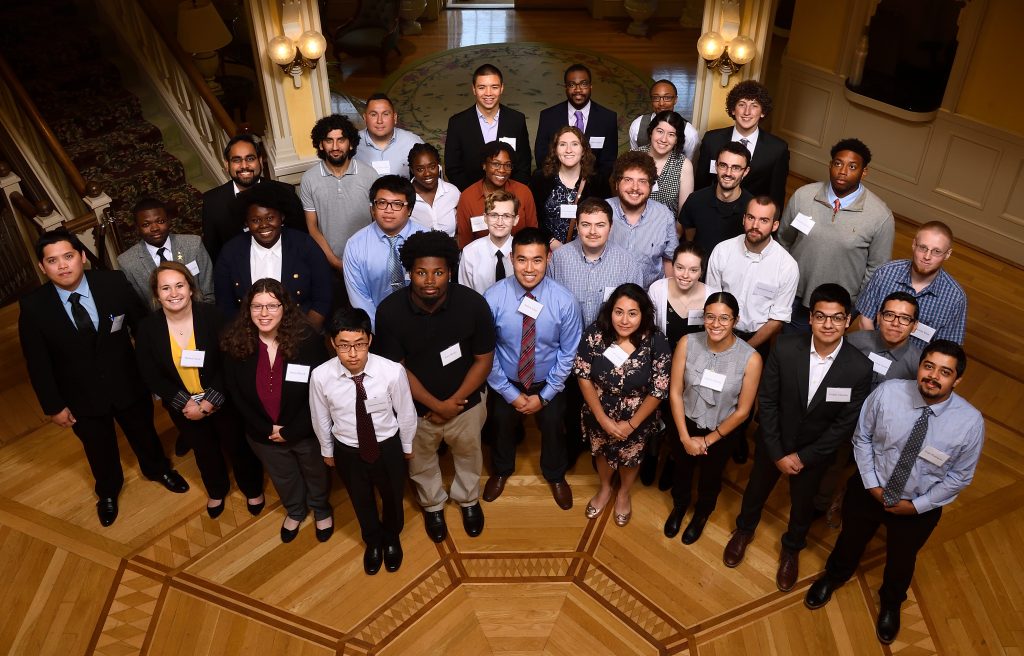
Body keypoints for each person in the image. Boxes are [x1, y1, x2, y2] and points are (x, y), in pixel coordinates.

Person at [804, 341, 984, 646]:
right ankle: (834, 576)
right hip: (869, 489)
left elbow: (959, 477)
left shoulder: (970, 423)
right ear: (920, 366)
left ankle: (890, 602)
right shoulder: (888, 393)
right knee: (850, 539)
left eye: (944, 372)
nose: (933, 376)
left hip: (916, 506)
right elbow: (862, 438)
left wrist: (917, 506)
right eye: (928, 366)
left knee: (902, 559)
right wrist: (872, 484)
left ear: (957, 380)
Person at [19, 229, 189, 526]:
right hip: (80, 395)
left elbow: (142, 330)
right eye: (53, 260)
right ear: (42, 267)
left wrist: (153, 378)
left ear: (82, 257)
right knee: (97, 447)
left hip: (128, 383)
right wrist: (53, 406)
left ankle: (157, 468)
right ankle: (108, 490)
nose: (63, 266)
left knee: (144, 432)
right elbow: (38, 364)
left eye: (69, 256)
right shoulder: (33, 307)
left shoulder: (113, 283)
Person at [722, 283, 873, 593]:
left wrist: (804, 457)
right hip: (773, 443)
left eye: (836, 318)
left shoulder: (860, 368)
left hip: (814, 455)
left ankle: (792, 548)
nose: (828, 324)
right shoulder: (785, 347)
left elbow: (844, 424)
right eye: (821, 316)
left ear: (848, 321)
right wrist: (777, 452)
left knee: (803, 506)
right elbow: (767, 399)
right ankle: (743, 530)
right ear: (811, 319)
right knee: (755, 491)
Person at [375, 231, 496, 543]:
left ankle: (468, 500)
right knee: (420, 460)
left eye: (438, 272)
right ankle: (432, 505)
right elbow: (396, 369)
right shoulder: (389, 312)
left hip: (465, 405)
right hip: (415, 410)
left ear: (450, 272)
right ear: (409, 273)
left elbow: (483, 360)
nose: (430, 280)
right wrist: (434, 405)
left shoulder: (473, 305)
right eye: (421, 272)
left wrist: (453, 401)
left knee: (469, 455)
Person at [135, 262, 264, 519]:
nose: (174, 293)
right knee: (204, 452)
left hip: (222, 400)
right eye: (166, 288)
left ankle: (252, 488)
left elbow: (230, 361)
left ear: (191, 288)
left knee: (237, 446)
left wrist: (209, 402)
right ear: (156, 294)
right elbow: (150, 374)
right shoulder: (148, 328)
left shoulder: (213, 316)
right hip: (184, 407)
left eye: (179, 285)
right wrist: (185, 403)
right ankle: (216, 490)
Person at [221, 279, 333, 543]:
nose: (264, 313)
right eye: (257, 306)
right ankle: (295, 509)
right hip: (263, 433)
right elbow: (235, 393)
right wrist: (265, 428)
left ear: (285, 307)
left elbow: (320, 392)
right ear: (247, 310)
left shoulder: (308, 340)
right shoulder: (236, 343)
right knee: (283, 475)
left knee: (315, 471)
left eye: (272, 305)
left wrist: (295, 429)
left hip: (305, 429)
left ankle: (320, 508)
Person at [310, 308, 417, 575]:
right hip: (348, 449)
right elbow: (320, 415)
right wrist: (327, 449)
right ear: (333, 343)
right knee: (360, 499)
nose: (353, 354)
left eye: (359, 344)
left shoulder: (391, 372)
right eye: (344, 346)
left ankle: (391, 538)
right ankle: (373, 540)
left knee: (392, 496)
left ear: (369, 339)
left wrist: (406, 446)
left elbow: (405, 411)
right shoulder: (321, 376)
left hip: (387, 445)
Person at [483, 228, 583, 510]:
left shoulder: (564, 301)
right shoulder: (492, 298)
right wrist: (508, 392)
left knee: (553, 425)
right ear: (512, 259)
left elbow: (568, 353)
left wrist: (546, 394)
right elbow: (486, 352)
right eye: (522, 260)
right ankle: (501, 471)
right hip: (506, 381)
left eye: (537, 260)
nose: (529, 268)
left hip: (548, 381)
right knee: (500, 423)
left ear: (548, 259)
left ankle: (555, 474)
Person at [811, 292, 924, 525]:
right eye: (890, 315)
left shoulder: (918, 366)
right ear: (879, 317)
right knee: (832, 463)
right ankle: (819, 504)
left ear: (914, 326)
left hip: (881, 435)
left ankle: (846, 505)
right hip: (841, 421)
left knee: (864, 475)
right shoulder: (853, 342)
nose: (895, 323)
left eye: (904, 319)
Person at [549, 198, 644, 466]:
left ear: (610, 227)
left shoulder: (627, 263)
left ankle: (599, 448)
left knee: (604, 406)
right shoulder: (560, 258)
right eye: (586, 225)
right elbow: (552, 304)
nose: (592, 231)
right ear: (576, 226)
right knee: (568, 406)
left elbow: (636, 310)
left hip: (610, 352)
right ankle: (573, 446)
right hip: (569, 349)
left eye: (600, 225)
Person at [663, 292, 762, 544]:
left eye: (724, 318)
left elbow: (743, 411)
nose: (716, 324)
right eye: (710, 317)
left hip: (721, 431)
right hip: (684, 422)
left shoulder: (751, 359)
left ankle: (701, 515)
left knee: (711, 477)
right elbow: (674, 392)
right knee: (681, 470)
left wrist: (708, 440)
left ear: (735, 320)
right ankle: (679, 506)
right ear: (703, 317)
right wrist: (685, 436)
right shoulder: (687, 342)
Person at [573, 283, 670, 526]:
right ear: (610, 311)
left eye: (632, 313)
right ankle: (605, 488)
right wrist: (603, 419)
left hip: (638, 415)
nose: (624, 320)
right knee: (602, 453)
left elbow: (659, 388)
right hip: (599, 410)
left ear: (643, 314)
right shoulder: (596, 333)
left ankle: (624, 493)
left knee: (631, 458)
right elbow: (583, 375)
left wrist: (632, 424)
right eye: (619, 312)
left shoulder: (656, 340)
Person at [778, 138, 895, 331]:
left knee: (824, 356)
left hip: (838, 308)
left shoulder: (880, 216)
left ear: (864, 172)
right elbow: (783, 239)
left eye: (852, 166)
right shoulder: (803, 196)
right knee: (789, 350)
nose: (843, 171)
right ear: (830, 165)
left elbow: (877, 269)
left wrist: (854, 304)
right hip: (794, 297)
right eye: (838, 164)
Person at [214, 182, 333, 329]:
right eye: (255, 220)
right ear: (246, 223)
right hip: (250, 336)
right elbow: (225, 305)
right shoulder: (231, 252)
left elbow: (323, 297)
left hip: (301, 331)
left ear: (282, 217)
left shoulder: (304, 244)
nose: (264, 225)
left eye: (270, 218)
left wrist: (306, 335)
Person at [642, 243, 710, 488]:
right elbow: (648, 332)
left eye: (693, 270)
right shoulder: (658, 289)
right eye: (680, 267)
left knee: (680, 417)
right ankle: (651, 455)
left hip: (692, 371)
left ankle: (672, 458)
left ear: (701, 271)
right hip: (658, 366)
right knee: (653, 414)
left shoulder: (711, 295)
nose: (684, 275)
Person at [855, 221, 966, 347]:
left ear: (947, 254)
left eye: (936, 251)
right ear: (914, 245)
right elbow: (865, 321)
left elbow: (946, 348)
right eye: (923, 248)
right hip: (874, 350)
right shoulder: (885, 273)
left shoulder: (955, 298)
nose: (927, 257)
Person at [201, 134, 305, 263]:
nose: (244, 166)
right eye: (237, 160)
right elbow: (213, 254)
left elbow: (301, 242)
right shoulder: (212, 202)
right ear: (227, 164)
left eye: (250, 159)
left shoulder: (286, 192)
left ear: (260, 161)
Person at [300, 114, 380, 276]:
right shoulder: (309, 179)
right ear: (321, 145)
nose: (335, 147)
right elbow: (312, 227)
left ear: (350, 144)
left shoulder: (370, 175)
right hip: (327, 263)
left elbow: (378, 222)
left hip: (367, 261)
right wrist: (336, 262)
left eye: (341, 140)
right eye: (329, 140)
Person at [343, 175, 426, 328]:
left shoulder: (427, 239)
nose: (388, 210)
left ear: (409, 210)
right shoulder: (355, 245)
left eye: (397, 204)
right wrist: (381, 330)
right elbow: (360, 300)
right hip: (379, 327)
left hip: (425, 323)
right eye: (381, 203)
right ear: (372, 208)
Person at [693, 80, 790, 208]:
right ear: (733, 109)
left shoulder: (777, 149)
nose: (747, 112)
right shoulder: (712, 140)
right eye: (742, 104)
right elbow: (701, 185)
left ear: (763, 112)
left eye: (754, 106)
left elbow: (776, 196)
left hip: (752, 220)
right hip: (713, 211)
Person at [444, 64, 531, 191]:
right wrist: (476, 195)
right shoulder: (457, 123)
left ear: (502, 88)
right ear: (474, 89)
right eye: (482, 87)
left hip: (509, 196)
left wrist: (508, 194)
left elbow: (524, 165)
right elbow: (453, 168)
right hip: (472, 194)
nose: (488, 93)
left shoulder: (516, 120)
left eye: (494, 87)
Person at [119, 198, 214, 308]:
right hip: (160, 323)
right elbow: (138, 309)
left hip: (201, 315)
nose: (154, 228)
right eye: (146, 224)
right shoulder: (127, 262)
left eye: (160, 222)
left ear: (169, 221)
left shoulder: (193, 244)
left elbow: (209, 292)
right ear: (137, 228)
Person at [606, 151, 678, 288]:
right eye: (628, 180)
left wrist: (669, 296)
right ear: (616, 184)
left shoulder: (664, 216)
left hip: (649, 297)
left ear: (651, 186)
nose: (635, 188)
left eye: (642, 181)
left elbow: (669, 260)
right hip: (607, 295)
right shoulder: (602, 211)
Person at [533, 63, 618, 178]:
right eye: (572, 85)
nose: (578, 90)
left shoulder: (608, 118)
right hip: (556, 184)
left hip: (594, 186)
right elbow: (542, 157)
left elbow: (608, 162)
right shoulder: (548, 116)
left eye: (583, 84)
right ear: (566, 88)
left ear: (591, 86)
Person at [529, 126, 608, 248]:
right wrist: (550, 241)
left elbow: (604, 219)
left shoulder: (598, 181)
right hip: (548, 250)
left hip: (586, 250)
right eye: (562, 144)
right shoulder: (540, 178)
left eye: (575, 144)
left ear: (583, 150)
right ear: (555, 150)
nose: (568, 150)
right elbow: (534, 218)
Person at [454, 141, 538, 248]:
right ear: (484, 165)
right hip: (480, 259)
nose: (502, 170)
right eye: (496, 164)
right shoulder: (468, 197)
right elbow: (465, 242)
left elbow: (533, 234)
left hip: (518, 257)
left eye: (507, 165)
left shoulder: (523, 192)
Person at [679, 142, 753, 256]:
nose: (728, 173)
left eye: (736, 168)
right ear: (716, 166)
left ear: (746, 171)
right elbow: (690, 242)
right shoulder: (696, 200)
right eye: (723, 165)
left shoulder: (752, 208)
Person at [634, 110, 694, 214]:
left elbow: (684, 213)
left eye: (671, 134)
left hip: (667, 228)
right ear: (651, 132)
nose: (663, 139)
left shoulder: (684, 165)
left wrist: (676, 230)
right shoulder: (634, 157)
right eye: (660, 131)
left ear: (677, 139)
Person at [459, 189, 518, 294]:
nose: (499, 222)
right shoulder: (469, 253)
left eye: (506, 216)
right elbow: (466, 296)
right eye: (494, 215)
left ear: (515, 220)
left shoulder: (523, 252)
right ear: (485, 218)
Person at [353, 93, 424, 178]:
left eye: (385, 114)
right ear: (365, 118)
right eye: (373, 115)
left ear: (394, 118)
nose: (379, 121)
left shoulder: (413, 142)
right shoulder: (352, 143)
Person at [628, 80, 699, 160]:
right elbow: (633, 157)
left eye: (667, 98)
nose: (661, 103)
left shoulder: (689, 132)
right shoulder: (637, 125)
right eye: (656, 98)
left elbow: (689, 160)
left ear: (675, 99)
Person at [408, 143, 459, 236]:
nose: (427, 173)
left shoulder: (452, 191)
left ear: (438, 166)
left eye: (432, 167)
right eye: (420, 169)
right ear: (412, 170)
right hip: (416, 249)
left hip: (450, 248)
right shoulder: (404, 196)